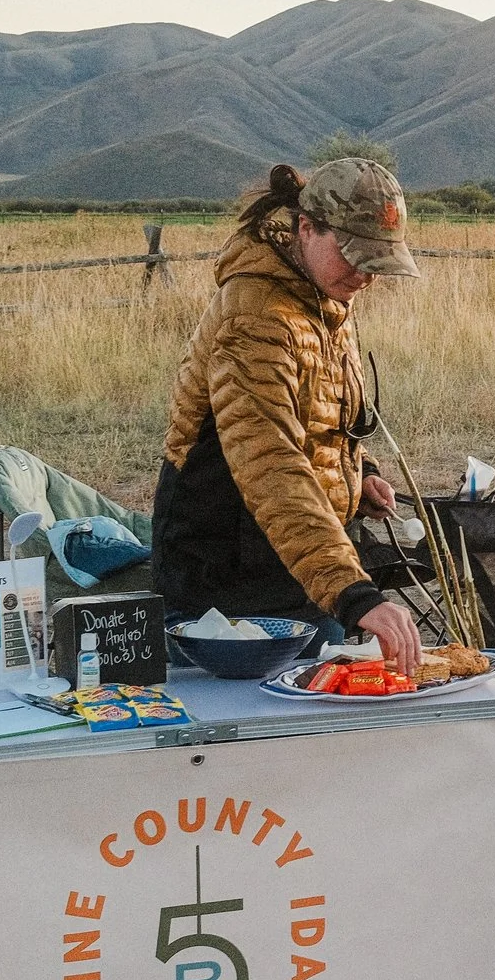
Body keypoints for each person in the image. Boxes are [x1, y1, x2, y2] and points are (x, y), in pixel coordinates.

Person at [152, 159, 426, 671]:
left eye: (376, 261)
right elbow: (270, 459)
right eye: (354, 255)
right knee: (236, 731)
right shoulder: (256, 315)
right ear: (306, 226)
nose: (364, 275)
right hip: (224, 564)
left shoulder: (325, 293)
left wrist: (358, 473)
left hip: (299, 558)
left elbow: (322, 416)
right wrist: (354, 592)